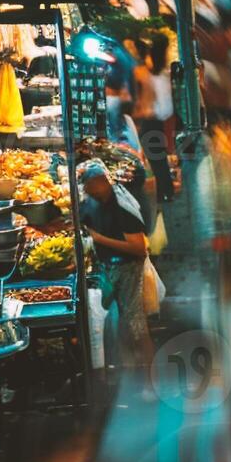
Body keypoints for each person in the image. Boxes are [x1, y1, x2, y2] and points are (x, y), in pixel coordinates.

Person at [77, 160, 154, 380]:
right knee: (118, 319)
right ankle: (128, 368)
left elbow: (139, 247)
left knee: (136, 323)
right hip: (109, 266)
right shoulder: (95, 200)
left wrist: (99, 239)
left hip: (129, 268)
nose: (86, 190)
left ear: (100, 182)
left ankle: (150, 379)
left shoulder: (122, 207)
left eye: (88, 185)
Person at [133, 37, 175, 203]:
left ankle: (165, 192)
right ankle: (164, 191)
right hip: (159, 120)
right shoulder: (163, 75)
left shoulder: (144, 74)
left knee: (156, 161)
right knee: (158, 160)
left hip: (151, 121)